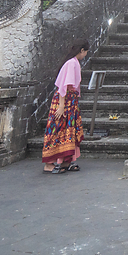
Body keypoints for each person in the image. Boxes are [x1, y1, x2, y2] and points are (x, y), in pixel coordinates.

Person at [42, 41, 89, 173]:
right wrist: (61, 106)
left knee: (68, 130)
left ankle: (64, 161)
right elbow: (64, 86)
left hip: (70, 101)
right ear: (82, 50)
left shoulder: (73, 62)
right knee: (59, 129)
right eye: (85, 52)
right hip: (64, 101)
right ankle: (51, 162)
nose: (85, 55)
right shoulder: (71, 63)